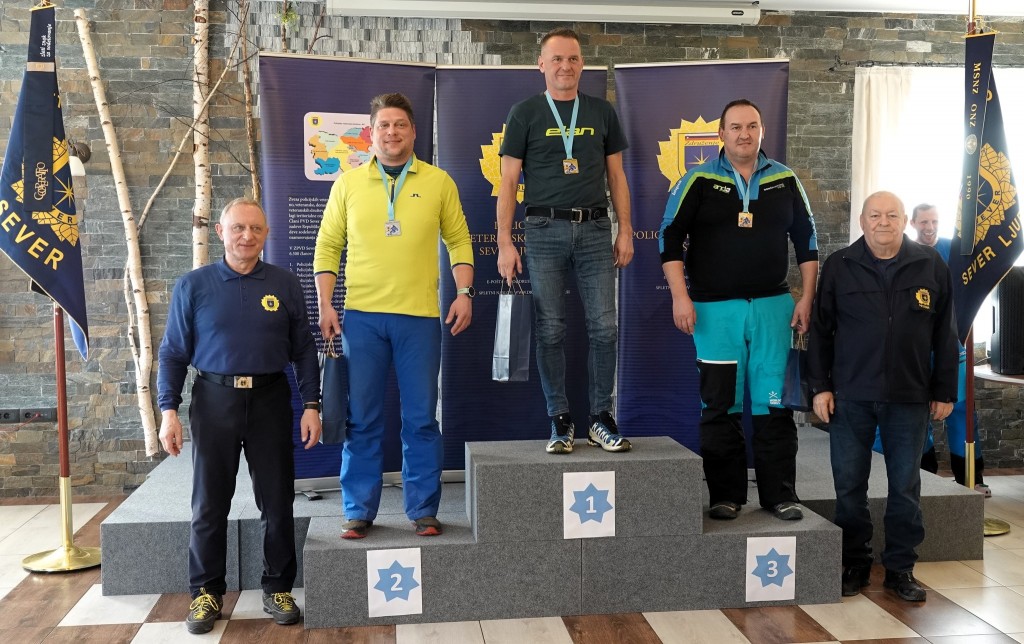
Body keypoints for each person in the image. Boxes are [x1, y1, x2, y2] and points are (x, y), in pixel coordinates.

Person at [314, 92, 474, 541]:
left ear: (414, 131)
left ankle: (423, 509)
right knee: (362, 418)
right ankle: (357, 510)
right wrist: (325, 304)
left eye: (400, 124)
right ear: (372, 132)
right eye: (383, 125)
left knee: (421, 419)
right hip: (361, 318)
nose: (392, 132)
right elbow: (328, 245)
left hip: (419, 320)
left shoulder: (438, 181)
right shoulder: (347, 184)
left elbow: (459, 239)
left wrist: (464, 292)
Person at [158, 198, 322, 634]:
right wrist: (168, 411)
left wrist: (312, 405)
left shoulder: (285, 284)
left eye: (255, 228)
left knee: (277, 500)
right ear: (220, 232)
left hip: (270, 399)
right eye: (238, 228)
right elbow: (172, 353)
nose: (247, 236)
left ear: (266, 234)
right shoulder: (194, 286)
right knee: (209, 502)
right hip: (214, 401)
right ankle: (206, 592)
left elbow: (304, 349)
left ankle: (278, 587)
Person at [659, 98, 818, 522]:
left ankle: (780, 495)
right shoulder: (697, 180)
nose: (744, 134)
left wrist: (807, 297)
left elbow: (808, 240)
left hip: (773, 309)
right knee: (719, 406)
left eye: (751, 126)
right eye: (735, 127)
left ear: (762, 131)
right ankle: (725, 496)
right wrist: (680, 296)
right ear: (721, 134)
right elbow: (668, 239)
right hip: (714, 313)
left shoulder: (785, 179)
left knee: (775, 405)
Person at [807, 191, 958, 602]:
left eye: (892, 215)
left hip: (910, 397)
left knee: (905, 487)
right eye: (875, 215)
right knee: (849, 486)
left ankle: (900, 568)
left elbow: (946, 333)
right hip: (850, 396)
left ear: (904, 220)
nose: (883, 222)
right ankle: (855, 563)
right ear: (862, 221)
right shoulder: (840, 264)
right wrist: (820, 386)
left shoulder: (931, 264)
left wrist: (945, 390)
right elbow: (821, 330)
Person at [497, 26, 634, 455]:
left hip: (594, 228)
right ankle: (559, 418)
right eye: (556, 58)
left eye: (573, 58)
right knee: (551, 328)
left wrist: (626, 229)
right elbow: (508, 181)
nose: (565, 66)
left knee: (605, 327)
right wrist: (505, 242)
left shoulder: (601, 111)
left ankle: (601, 418)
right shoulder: (524, 112)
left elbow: (616, 176)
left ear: (582, 64)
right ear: (541, 64)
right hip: (543, 229)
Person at [909, 203, 988, 495]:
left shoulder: (956, 251)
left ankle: (970, 478)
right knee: (917, 413)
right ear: (913, 223)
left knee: (961, 411)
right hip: (916, 347)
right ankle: (923, 477)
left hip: (953, 343)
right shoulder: (904, 252)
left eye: (934, 221)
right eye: (924, 222)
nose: (929, 227)